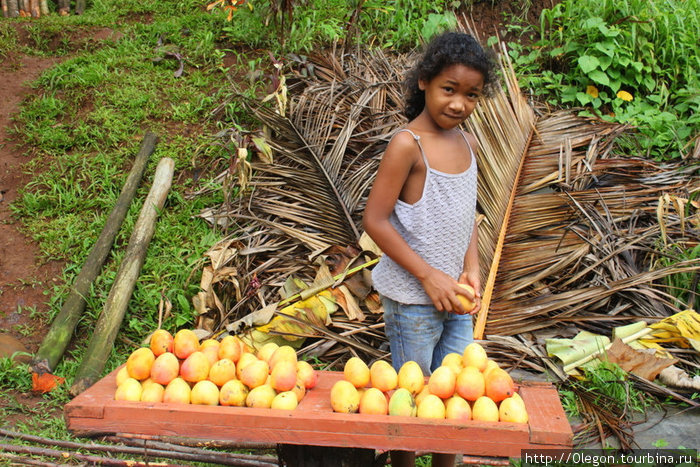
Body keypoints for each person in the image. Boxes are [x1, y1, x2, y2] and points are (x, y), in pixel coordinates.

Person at [362, 31, 497, 467]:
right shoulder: (408, 145)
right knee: (413, 398)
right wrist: (427, 274)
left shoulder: (468, 143)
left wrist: (471, 267)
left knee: (456, 393)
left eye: (471, 94)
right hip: (412, 303)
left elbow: (466, 216)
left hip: (456, 299)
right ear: (424, 82)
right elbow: (375, 221)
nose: (459, 103)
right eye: (449, 89)